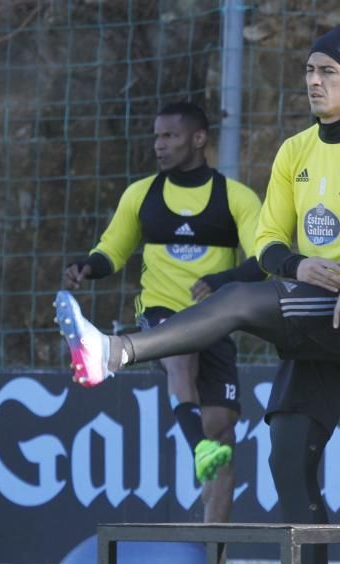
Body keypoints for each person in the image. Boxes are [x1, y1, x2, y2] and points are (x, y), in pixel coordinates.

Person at [55, 23, 340, 564]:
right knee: (289, 458)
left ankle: (116, 351)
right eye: (310, 71)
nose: (314, 82)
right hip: (311, 314)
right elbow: (268, 242)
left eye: (328, 73)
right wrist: (296, 265)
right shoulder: (295, 151)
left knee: (236, 300)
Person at [62, 101, 264, 539]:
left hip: (217, 319)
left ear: (198, 139)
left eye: (169, 136)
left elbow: (264, 260)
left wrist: (222, 278)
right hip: (160, 311)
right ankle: (198, 448)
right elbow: (110, 252)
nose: (159, 145)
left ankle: (215, 555)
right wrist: (86, 267)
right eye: (156, 137)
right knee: (180, 355)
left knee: (223, 435)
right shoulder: (141, 196)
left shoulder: (236, 198)